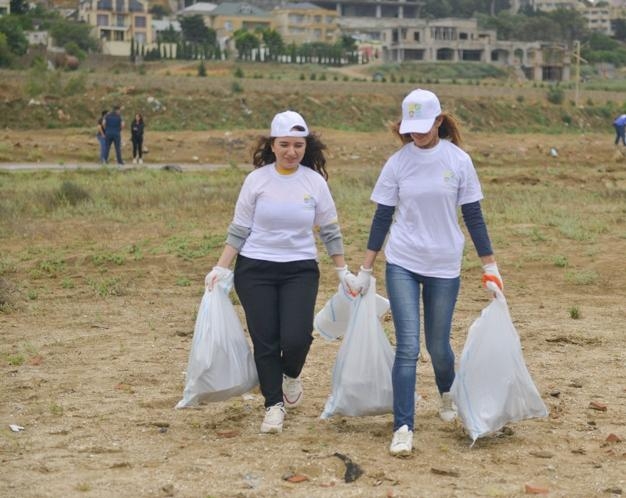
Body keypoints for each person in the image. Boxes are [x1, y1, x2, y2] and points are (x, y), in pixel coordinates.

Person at [350, 89, 504, 457]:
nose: (417, 134)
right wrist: (365, 269)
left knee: (438, 345)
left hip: (444, 263)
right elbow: (382, 217)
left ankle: (447, 392)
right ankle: (403, 426)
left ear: (438, 121)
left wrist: (490, 266)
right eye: (411, 127)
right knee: (407, 347)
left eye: (424, 126)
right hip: (402, 259)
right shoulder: (397, 163)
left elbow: (473, 217)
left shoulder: (459, 160)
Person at [205, 110, 356, 434]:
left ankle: (290, 374)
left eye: (298, 145)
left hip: (299, 269)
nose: (291, 152)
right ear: (272, 145)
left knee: (296, 336)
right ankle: (273, 405)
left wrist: (342, 271)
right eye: (284, 144)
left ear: (306, 146)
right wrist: (221, 266)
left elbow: (329, 229)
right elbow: (239, 228)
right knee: (266, 341)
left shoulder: (314, 182)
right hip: (255, 269)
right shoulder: (256, 181)